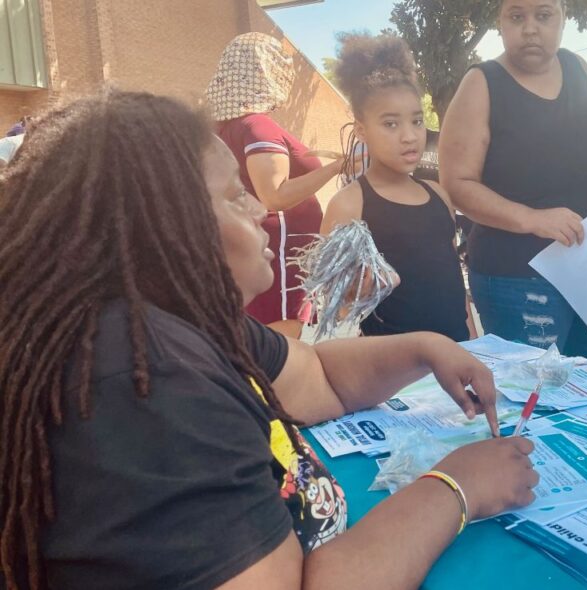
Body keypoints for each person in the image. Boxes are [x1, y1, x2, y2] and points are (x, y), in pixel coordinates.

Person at [0, 91, 537, 590]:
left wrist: (425, 348)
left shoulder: (190, 319)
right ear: (160, 226)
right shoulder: (146, 383)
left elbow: (318, 378)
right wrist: (456, 488)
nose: (262, 211)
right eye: (236, 196)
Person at [440, 0, 587, 362]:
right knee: (537, 404)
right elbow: (457, 183)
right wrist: (533, 218)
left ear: (563, 18)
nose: (530, 27)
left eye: (543, 15)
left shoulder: (578, 68)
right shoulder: (482, 83)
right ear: (500, 22)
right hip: (521, 281)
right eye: (517, 16)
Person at [319, 35, 472, 342]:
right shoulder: (350, 203)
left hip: (457, 352)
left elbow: (453, 278)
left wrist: (473, 339)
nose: (409, 136)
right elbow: (336, 303)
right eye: (391, 124)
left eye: (416, 121)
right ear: (361, 130)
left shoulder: (438, 193)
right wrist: (354, 290)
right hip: (395, 369)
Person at [207, 33, 345, 338]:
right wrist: (338, 166)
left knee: (262, 340)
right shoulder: (257, 125)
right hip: (282, 253)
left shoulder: (227, 128)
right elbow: (275, 195)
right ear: (265, 70)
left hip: (264, 246)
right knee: (284, 339)